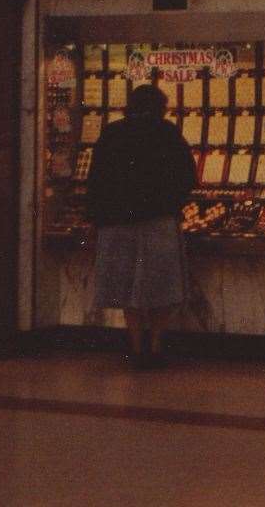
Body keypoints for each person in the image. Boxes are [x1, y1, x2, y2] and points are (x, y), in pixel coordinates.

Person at [87, 83, 196, 369]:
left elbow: (96, 179)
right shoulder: (167, 132)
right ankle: (157, 346)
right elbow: (187, 175)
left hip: (117, 223)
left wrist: (97, 219)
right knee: (161, 288)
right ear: (160, 107)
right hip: (158, 221)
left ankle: (135, 347)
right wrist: (172, 204)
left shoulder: (112, 133)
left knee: (127, 290)